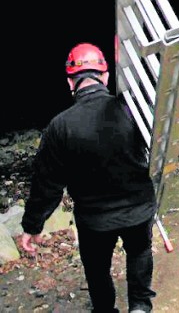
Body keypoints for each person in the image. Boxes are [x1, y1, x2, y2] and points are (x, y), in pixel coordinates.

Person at [20, 42, 157, 313]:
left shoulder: (59, 126)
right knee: (139, 252)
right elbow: (157, 148)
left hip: (95, 221)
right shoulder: (131, 109)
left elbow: (47, 185)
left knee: (97, 268)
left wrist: (32, 226)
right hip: (138, 209)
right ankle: (140, 307)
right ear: (105, 76)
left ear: (71, 81)